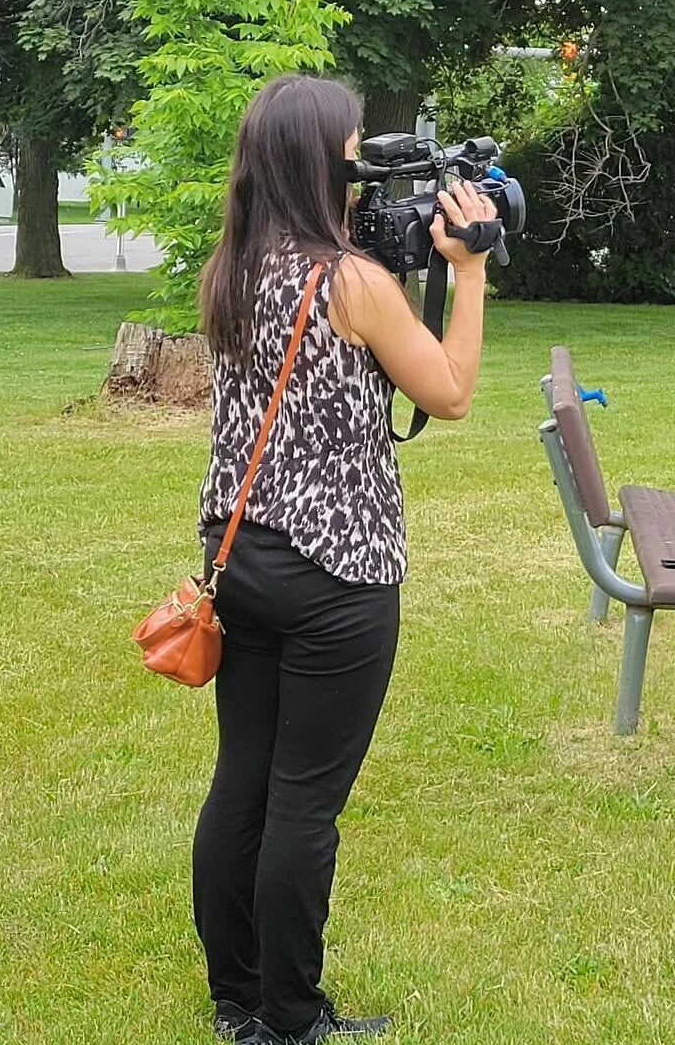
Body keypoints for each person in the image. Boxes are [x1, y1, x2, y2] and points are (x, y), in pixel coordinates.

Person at [192, 73, 499, 1043]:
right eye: (356, 149)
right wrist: (474, 268)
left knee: (242, 779)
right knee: (303, 805)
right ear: (325, 162)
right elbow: (447, 392)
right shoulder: (351, 283)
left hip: (239, 557)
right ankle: (291, 1018)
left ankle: (238, 1001)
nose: (367, 165)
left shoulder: (230, 270)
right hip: (339, 574)